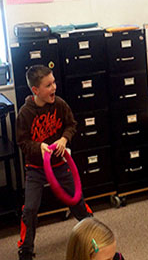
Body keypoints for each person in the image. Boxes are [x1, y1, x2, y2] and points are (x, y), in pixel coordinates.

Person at [16, 65, 92, 260]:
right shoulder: (24, 113)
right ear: (35, 91)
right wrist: (38, 147)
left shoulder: (59, 104)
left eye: (54, 82)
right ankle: (25, 249)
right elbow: (22, 142)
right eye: (48, 85)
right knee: (30, 208)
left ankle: (93, 233)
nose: (54, 88)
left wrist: (64, 139)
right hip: (36, 168)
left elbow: (71, 125)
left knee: (76, 200)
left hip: (59, 163)